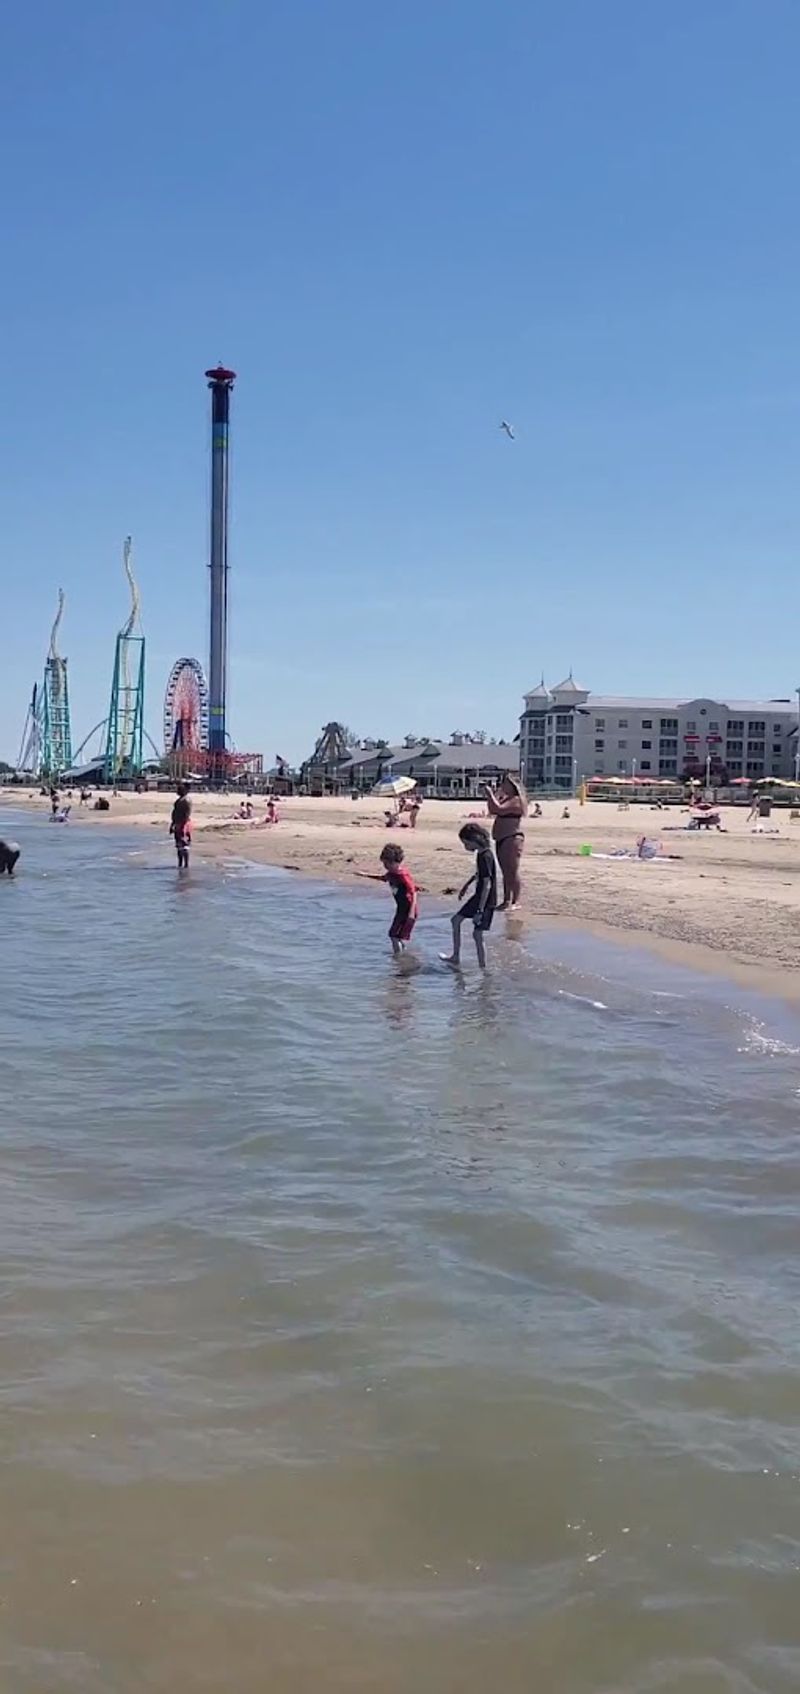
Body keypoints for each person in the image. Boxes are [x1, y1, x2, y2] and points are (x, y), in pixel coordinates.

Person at [440, 823, 497, 970]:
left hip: (484, 900)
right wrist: (467, 885)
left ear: (475, 840)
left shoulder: (486, 856)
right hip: (479, 897)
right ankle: (456, 957)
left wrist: (479, 910)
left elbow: (487, 884)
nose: (465, 847)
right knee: (456, 921)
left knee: (477, 934)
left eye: (466, 843)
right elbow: (480, 874)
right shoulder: (482, 853)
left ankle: (483, 969)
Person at [356, 842, 418, 956]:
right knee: (395, 936)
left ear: (395, 862)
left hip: (408, 910)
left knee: (394, 935)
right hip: (401, 909)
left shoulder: (402, 875)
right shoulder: (391, 874)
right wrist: (365, 875)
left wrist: (411, 913)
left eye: (387, 864)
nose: (386, 866)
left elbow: (413, 891)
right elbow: (384, 878)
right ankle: (403, 956)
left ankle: (399, 960)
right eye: (384, 863)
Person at [484, 775, 528, 910]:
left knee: (512, 871)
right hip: (502, 838)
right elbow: (492, 810)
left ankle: (516, 901)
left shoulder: (516, 800)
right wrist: (492, 795)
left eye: (505, 783)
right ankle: (506, 900)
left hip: (512, 837)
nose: (502, 785)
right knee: (505, 871)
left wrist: (490, 794)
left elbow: (498, 809)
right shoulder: (506, 799)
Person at [170, 781, 192, 871]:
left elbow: (186, 814)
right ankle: (180, 864)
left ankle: (186, 865)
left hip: (183, 823)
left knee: (184, 844)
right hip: (178, 823)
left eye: (179, 789)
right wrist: (173, 824)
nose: (177, 790)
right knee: (179, 845)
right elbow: (175, 813)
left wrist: (183, 825)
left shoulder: (186, 800)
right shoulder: (180, 800)